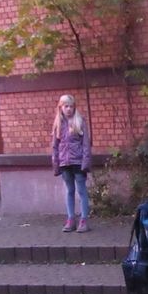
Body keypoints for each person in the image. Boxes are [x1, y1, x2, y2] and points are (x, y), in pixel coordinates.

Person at [51, 94, 93, 233]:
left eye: (71, 106)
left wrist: (85, 163)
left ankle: (84, 220)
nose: (68, 109)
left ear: (74, 107)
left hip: (78, 162)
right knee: (69, 190)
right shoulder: (58, 124)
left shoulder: (80, 121)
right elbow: (55, 146)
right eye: (66, 106)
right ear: (61, 108)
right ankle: (70, 219)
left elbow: (86, 144)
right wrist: (56, 163)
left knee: (81, 190)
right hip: (64, 163)